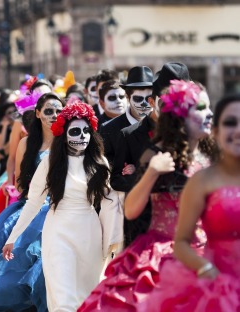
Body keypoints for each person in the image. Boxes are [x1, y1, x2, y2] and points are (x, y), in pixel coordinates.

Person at [78, 80, 215, 311]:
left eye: (209, 107)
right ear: (181, 117)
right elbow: (131, 209)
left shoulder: (209, 154)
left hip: (207, 252)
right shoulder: (156, 153)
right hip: (165, 257)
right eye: (202, 108)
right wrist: (152, 171)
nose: (210, 114)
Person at [1, 99, 123, 311]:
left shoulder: (99, 163)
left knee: (86, 295)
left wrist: (114, 241)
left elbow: (110, 201)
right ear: (64, 134)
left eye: (86, 131)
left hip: (90, 234)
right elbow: (33, 203)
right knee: (63, 295)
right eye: (75, 131)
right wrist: (13, 237)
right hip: (58, 231)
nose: (82, 136)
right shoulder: (49, 162)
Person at [139, 93, 240, 311]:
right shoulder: (203, 179)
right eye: (230, 123)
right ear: (216, 132)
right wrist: (205, 268)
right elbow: (182, 241)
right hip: (217, 280)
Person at [0, 93, 65, 311]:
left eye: (58, 111)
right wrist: (38, 192)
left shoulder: (69, 140)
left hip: (63, 207)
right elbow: (20, 184)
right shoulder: (26, 143)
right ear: (37, 114)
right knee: (19, 257)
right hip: (33, 206)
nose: (54, 115)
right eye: (48, 111)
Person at [111, 62, 191, 247]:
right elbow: (115, 179)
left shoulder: (194, 135)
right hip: (143, 231)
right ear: (153, 102)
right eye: (168, 101)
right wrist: (144, 178)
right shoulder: (129, 134)